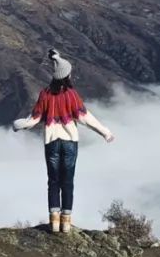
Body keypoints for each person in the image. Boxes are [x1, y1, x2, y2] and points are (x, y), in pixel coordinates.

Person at [12, 48, 115, 234]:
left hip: (51, 142)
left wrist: (19, 125)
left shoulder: (45, 95)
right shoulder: (72, 95)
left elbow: (33, 119)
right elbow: (85, 118)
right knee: (68, 181)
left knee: (53, 181)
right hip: (69, 142)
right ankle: (66, 223)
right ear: (67, 76)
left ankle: (54, 221)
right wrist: (105, 132)